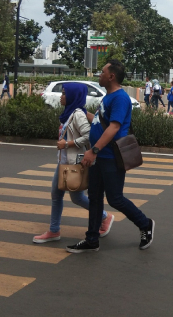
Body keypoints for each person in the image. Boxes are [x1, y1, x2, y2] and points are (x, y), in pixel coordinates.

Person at [67, 60, 154, 253]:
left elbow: (114, 127)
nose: (100, 75)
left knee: (115, 198)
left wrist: (93, 150)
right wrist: (80, 111)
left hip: (111, 156)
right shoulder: (107, 97)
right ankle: (92, 239)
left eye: (102, 72)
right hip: (100, 157)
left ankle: (145, 223)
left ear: (111, 76)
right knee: (95, 197)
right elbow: (99, 122)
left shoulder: (120, 99)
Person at [33, 83, 114, 243]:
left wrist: (67, 144)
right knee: (56, 194)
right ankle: (54, 230)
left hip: (74, 164)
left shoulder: (77, 114)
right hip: (64, 162)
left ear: (72, 96)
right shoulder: (69, 113)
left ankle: (105, 216)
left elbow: (88, 135)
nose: (62, 96)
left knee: (76, 198)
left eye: (64, 93)